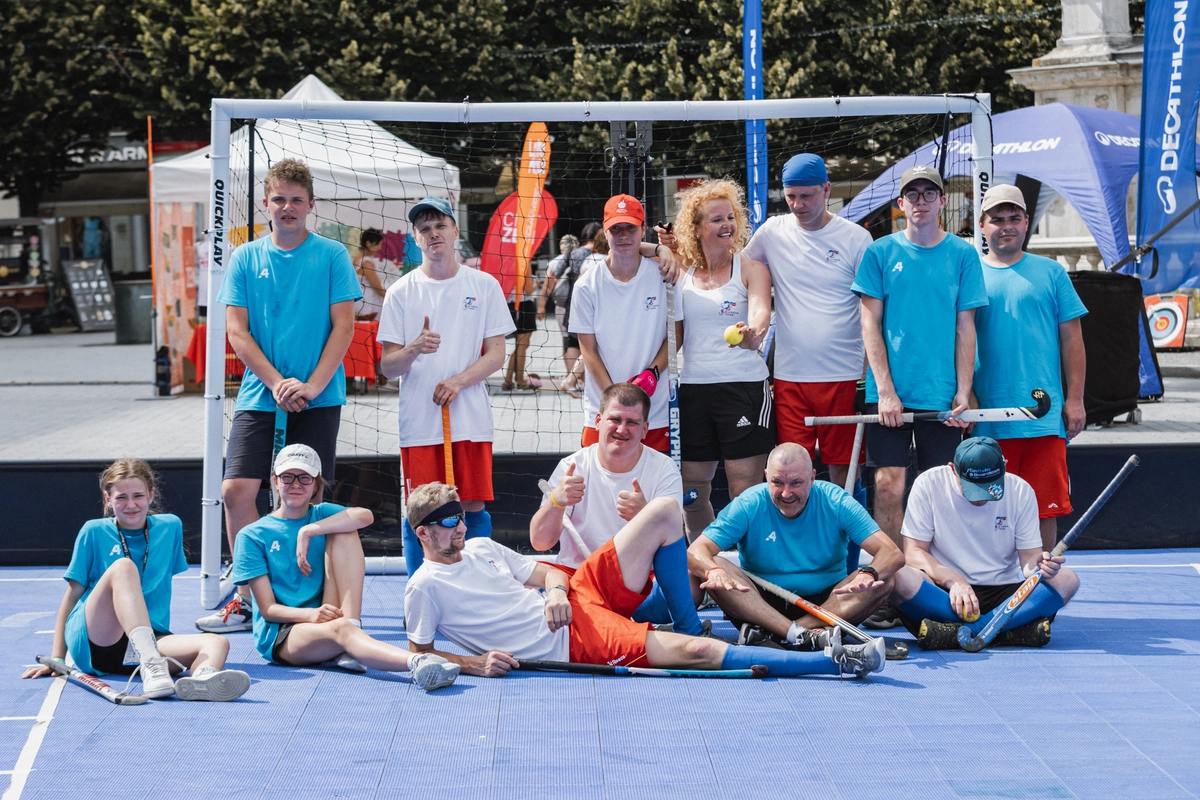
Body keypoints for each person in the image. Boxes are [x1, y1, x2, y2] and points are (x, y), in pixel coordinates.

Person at [404, 482, 885, 679]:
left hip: (578, 593)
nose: (460, 527)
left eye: (460, 517)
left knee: (665, 511)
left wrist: (553, 592)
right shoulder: (424, 586)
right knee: (698, 654)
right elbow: (418, 653)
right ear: (422, 533)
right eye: (447, 522)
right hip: (573, 640)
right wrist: (473, 663)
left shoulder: (482, 547)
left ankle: (688, 620)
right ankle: (833, 660)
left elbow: (549, 571)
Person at [198, 158, 362, 634]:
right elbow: (237, 331)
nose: (287, 207)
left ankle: (317, 601)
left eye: (296, 200)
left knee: (311, 497)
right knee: (236, 491)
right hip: (261, 392)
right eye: (279, 199)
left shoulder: (331, 255)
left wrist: (310, 386)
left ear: (311, 205)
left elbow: (344, 327)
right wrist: (275, 383)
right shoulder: (246, 257)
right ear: (265, 204)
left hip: (318, 395)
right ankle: (248, 598)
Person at [851, 164, 988, 628]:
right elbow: (869, 323)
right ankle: (888, 588)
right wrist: (887, 392)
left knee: (942, 491)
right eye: (914, 194)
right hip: (890, 396)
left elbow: (966, 327)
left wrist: (964, 392)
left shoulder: (962, 255)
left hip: (943, 397)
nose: (922, 201)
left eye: (930, 193)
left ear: (942, 201)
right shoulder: (880, 252)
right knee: (889, 486)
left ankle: (941, 585)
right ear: (901, 203)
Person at [230, 444, 460, 690]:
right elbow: (268, 610)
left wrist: (308, 531)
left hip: (328, 616)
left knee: (345, 530)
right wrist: (311, 615)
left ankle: (352, 629)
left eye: (305, 478)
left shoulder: (321, 513)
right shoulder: (252, 535)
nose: (296, 484)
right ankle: (417, 662)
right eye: (288, 477)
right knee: (341, 629)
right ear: (275, 481)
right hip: (284, 633)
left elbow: (365, 516)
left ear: (316, 485)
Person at [23, 460, 250, 701]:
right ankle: (152, 664)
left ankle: (202, 680)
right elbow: (71, 597)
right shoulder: (93, 531)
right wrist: (58, 657)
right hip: (96, 640)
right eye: (121, 497)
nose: (130, 504)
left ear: (151, 495)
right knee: (124, 567)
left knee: (217, 643)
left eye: (138, 496)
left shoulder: (170, 527)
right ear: (107, 499)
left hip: (145, 642)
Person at [377, 197, 514, 577]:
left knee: (471, 506)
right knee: (420, 509)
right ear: (415, 238)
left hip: (469, 419)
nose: (433, 233)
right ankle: (419, 591)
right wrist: (414, 349)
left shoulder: (483, 285)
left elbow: (497, 354)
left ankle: (479, 585)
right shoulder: (401, 291)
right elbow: (387, 367)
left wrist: (458, 381)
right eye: (425, 229)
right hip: (420, 421)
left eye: (440, 226)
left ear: (455, 231)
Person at [688, 443, 917, 649]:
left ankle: (784, 634)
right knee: (714, 564)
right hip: (759, 604)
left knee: (884, 580)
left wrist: (868, 573)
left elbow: (892, 554)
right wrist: (713, 570)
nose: (786, 493)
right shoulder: (748, 503)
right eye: (777, 482)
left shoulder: (836, 501)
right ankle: (800, 635)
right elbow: (695, 552)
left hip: (829, 604)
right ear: (766, 477)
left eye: (796, 483)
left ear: (812, 477)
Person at [741, 154, 874, 490]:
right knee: (791, 473)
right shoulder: (772, 232)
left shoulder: (856, 239)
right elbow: (733, 271)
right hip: (790, 378)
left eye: (807, 195)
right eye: (791, 196)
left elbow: (874, 312)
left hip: (844, 377)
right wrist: (665, 251)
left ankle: (845, 528)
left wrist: (868, 375)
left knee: (845, 474)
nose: (798, 205)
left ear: (826, 189)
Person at [530, 382, 702, 635]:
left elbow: (671, 542)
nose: (622, 429)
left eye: (632, 422)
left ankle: (625, 621)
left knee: (693, 585)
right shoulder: (573, 466)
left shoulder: (663, 468)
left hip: (636, 584)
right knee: (530, 584)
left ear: (645, 429)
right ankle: (673, 630)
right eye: (615, 419)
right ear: (598, 421)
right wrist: (556, 501)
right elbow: (540, 542)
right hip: (580, 579)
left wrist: (647, 515)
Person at [973, 184, 1088, 551]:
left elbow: (1072, 339)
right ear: (982, 225)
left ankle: (1037, 581)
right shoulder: (969, 274)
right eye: (997, 219)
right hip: (986, 416)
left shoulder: (1052, 272)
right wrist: (965, 395)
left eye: (1014, 218)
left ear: (1026, 223)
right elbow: (956, 341)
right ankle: (993, 582)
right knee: (985, 510)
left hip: (1043, 415)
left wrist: (1075, 400)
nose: (1006, 226)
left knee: (1043, 509)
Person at [890, 437, 1080, 649]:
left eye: (990, 486)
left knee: (1067, 580)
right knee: (898, 575)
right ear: (953, 470)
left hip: (1004, 596)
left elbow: (1028, 561)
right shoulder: (929, 483)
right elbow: (914, 553)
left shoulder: (1020, 490)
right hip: (944, 591)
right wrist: (954, 580)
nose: (980, 497)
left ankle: (963, 631)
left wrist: (1040, 565)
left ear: (1004, 466)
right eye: (972, 487)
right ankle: (1004, 631)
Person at [669, 178, 774, 536]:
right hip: (694, 389)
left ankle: (750, 564)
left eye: (730, 217)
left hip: (743, 388)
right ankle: (708, 561)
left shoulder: (751, 268)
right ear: (696, 228)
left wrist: (753, 335)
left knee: (744, 492)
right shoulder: (682, 273)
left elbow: (760, 314)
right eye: (716, 219)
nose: (727, 224)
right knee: (691, 494)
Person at [569, 194, 680, 451]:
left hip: (655, 411)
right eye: (615, 228)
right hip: (603, 411)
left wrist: (652, 373)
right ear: (605, 231)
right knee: (599, 476)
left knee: (654, 477)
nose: (623, 235)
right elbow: (588, 351)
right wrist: (616, 400)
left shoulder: (664, 276)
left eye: (630, 227)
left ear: (643, 229)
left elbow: (676, 333)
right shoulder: (587, 285)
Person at [501, 261, 541, 391]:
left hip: (510, 305)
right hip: (524, 306)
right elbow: (528, 290)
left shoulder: (506, 262)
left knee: (520, 345)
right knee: (522, 346)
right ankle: (519, 380)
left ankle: (508, 380)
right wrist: (536, 284)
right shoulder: (524, 261)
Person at [353, 228, 396, 321]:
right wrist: (395, 300)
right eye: (378, 244)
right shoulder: (366, 263)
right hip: (368, 306)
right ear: (368, 243)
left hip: (359, 302)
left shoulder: (355, 259)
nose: (379, 248)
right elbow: (378, 289)